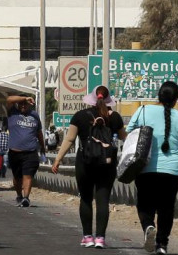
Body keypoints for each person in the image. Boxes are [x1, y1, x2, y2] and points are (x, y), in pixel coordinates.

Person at [126, 81, 178, 254]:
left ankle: (148, 226)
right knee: (166, 207)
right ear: (176, 100)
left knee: (145, 203)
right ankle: (162, 244)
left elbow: (129, 133)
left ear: (158, 95)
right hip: (172, 171)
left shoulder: (143, 110)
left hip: (145, 167)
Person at [52, 85, 126, 249]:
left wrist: (58, 159)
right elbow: (124, 138)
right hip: (107, 164)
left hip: (84, 163)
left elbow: (69, 139)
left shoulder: (80, 116)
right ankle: (100, 238)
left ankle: (87, 237)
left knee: (85, 198)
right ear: (107, 100)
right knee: (103, 200)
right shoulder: (115, 118)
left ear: (92, 98)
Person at [6, 94, 46, 207]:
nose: (23, 105)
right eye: (21, 103)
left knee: (27, 175)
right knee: (17, 177)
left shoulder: (34, 115)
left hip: (30, 151)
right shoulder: (12, 112)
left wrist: (43, 146)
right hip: (15, 152)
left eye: (25, 103)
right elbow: (9, 99)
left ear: (29, 105)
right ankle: (19, 195)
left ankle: (26, 197)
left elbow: (39, 133)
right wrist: (24, 98)